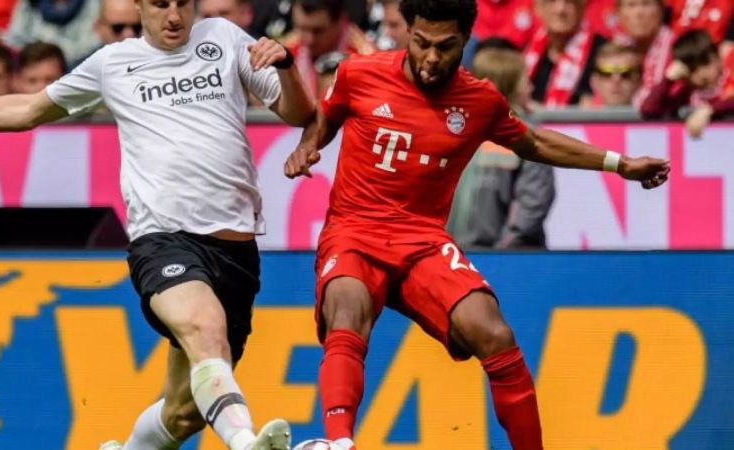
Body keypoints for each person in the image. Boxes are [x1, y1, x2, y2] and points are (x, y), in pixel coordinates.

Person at [0, 1, 314, 449]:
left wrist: (285, 66)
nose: (173, 16)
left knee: (184, 412)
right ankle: (246, 442)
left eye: (182, 3)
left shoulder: (223, 39)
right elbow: (27, 109)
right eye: (160, 4)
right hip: (164, 241)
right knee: (206, 331)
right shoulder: (114, 64)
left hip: (235, 251)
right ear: (141, 5)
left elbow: (300, 114)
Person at [283, 0, 669, 449]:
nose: (431, 58)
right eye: (422, 43)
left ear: (465, 41)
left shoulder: (479, 101)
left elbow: (537, 143)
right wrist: (308, 146)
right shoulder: (358, 73)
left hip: (422, 241)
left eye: (445, 47)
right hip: (355, 229)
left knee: (494, 333)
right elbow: (325, 118)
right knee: (346, 309)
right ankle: (339, 443)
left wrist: (621, 165)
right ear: (407, 31)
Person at [449, 45, 555, 250]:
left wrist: (501, 253)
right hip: (475, 260)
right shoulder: (457, 131)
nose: (531, 88)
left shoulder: (528, 136)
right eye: (525, 81)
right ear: (509, 86)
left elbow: (531, 206)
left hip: (503, 260)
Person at [640, 29, 734, 138]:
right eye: (693, 69)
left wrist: (709, 110)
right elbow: (648, 110)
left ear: (717, 57)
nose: (702, 74)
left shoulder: (730, 78)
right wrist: (668, 79)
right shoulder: (687, 94)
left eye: (706, 63)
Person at [524, 0, 607, 107]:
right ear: (539, 9)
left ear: (582, 9)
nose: (560, 10)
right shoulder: (525, 50)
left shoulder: (602, 51)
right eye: (551, 2)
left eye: (569, 2)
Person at [614, 0, 673, 109]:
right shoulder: (615, 48)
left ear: (661, 10)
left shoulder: (677, 49)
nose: (639, 13)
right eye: (631, 5)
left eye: (646, 4)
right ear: (619, 13)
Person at [581, 42, 642, 107]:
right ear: (594, 81)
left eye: (626, 74)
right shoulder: (577, 116)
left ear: (640, 81)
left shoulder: (652, 116)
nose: (616, 80)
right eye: (606, 74)